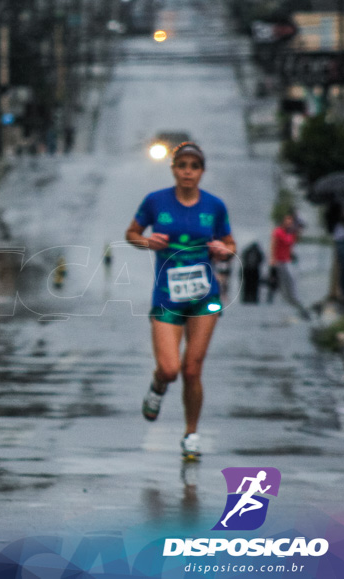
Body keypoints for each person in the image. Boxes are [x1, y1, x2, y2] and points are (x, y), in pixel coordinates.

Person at [125, 142, 236, 459]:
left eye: (194, 166)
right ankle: (158, 385)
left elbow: (230, 243)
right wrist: (147, 241)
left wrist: (224, 249)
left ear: (202, 171)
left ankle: (191, 434)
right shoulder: (155, 201)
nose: (188, 171)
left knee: (192, 369)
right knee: (171, 368)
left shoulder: (214, 206)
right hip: (167, 296)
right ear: (174, 169)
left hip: (205, 297)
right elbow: (131, 233)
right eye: (182, 165)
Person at [268, 213, 310, 320]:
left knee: (292, 286)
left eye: (291, 222)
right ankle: (293, 308)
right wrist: (272, 259)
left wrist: (299, 229)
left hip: (288, 263)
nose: (289, 223)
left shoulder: (291, 234)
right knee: (283, 291)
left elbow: (295, 242)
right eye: (287, 220)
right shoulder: (278, 232)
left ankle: (300, 307)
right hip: (279, 262)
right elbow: (273, 244)